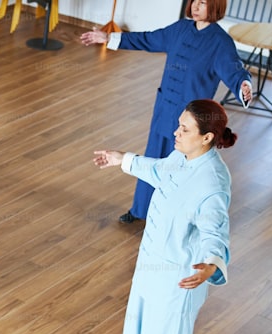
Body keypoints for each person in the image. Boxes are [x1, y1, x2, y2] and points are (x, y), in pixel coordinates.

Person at [92, 99, 235, 334]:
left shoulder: (213, 181)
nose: (176, 132)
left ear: (207, 138)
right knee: (139, 316)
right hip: (152, 257)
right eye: (179, 124)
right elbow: (157, 172)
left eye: (185, 129)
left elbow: (215, 231)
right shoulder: (181, 157)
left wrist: (210, 266)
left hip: (179, 275)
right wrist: (121, 160)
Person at [80, 0, 251, 224]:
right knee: (152, 156)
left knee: (178, 167)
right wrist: (109, 38)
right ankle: (140, 210)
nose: (196, 6)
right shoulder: (180, 29)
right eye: (195, 1)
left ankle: (170, 218)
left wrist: (243, 86)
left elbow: (235, 71)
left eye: (204, 2)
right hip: (165, 106)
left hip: (192, 120)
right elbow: (148, 39)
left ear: (216, 7)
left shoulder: (221, 42)